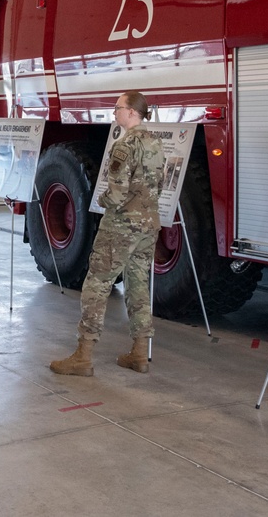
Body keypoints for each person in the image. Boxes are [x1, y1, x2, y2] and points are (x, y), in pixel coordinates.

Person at [50, 91, 165, 376]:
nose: (114, 113)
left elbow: (116, 193)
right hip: (148, 223)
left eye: (118, 108)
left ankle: (83, 355)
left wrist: (99, 201)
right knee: (138, 283)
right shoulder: (156, 142)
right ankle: (139, 352)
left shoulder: (124, 145)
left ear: (132, 112)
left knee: (97, 283)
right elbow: (159, 185)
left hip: (122, 225)